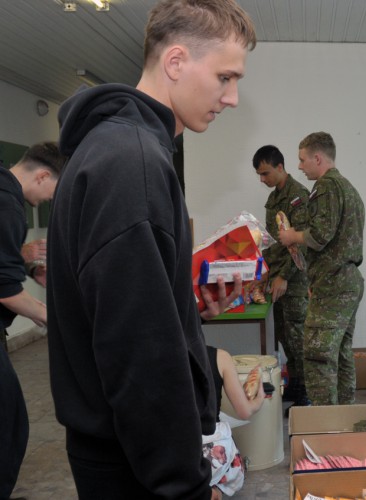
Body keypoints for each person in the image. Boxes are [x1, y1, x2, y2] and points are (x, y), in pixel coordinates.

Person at [46, 1, 256, 498]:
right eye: (225, 77)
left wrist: (189, 309)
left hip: (122, 448)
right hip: (133, 462)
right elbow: (139, 354)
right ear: (176, 62)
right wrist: (182, 484)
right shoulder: (132, 162)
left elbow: (126, 309)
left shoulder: (119, 148)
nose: (233, 98)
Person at [278, 132, 364, 406]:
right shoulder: (349, 188)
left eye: (303, 160)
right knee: (340, 353)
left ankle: (324, 424)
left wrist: (292, 236)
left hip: (333, 284)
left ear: (318, 158)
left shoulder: (325, 187)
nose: (300, 167)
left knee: (317, 356)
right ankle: (346, 417)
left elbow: (320, 235)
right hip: (346, 281)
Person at [0, 141, 64, 499]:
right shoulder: (7, 204)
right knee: (9, 428)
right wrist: (54, 318)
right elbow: (5, 291)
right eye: (51, 191)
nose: (46, 201)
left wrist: (25, 264)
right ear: (41, 175)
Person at [251, 145, 311, 408]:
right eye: (259, 175)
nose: (262, 179)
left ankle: (307, 394)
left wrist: (283, 275)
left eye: (265, 173)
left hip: (294, 280)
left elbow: (301, 242)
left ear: (279, 167)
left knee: (299, 339)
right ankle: (296, 388)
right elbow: (275, 242)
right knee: (287, 338)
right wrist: (265, 271)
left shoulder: (297, 196)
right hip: (279, 278)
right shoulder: (276, 197)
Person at [203, 345, 264, 497]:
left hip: (166, 457)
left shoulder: (148, 354)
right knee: (231, 461)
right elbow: (244, 411)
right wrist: (260, 397)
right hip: (210, 457)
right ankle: (213, 492)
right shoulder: (220, 356)